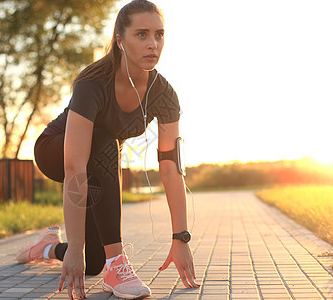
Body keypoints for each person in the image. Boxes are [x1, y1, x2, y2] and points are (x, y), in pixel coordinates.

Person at [16, 0, 199, 299]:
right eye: (141, 34)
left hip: (98, 164)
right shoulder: (93, 82)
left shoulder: (165, 95)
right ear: (119, 40)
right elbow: (74, 167)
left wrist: (181, 238)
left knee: (90, 264)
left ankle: (48, 246)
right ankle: (118, 264)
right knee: (104, 142)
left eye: (159, 34)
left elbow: (170, 167)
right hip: (55, 150)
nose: (153, 44)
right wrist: (76, 246)